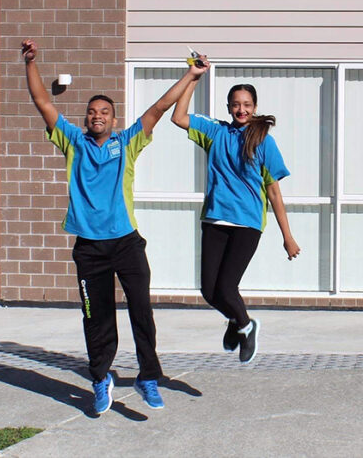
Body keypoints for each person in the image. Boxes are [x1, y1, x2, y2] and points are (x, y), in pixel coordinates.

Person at [21, 39, 207, 415]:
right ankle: (100, 378)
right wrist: (30, 64)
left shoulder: (127, 142)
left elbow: (158, 108)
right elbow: (43, 102)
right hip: (89, 248)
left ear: (114, 119)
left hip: (126, 243)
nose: (97, 116)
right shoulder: (72, 141)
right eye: (92, 111)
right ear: (86, 118)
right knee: (97, 317)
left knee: (141, 309)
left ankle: (148, 377)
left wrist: (191, 75)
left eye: (104, 111)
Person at [172, 67, 300, 364]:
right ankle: (238, 321)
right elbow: (178, 117)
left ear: (255, 108)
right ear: (228, 107)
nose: (241, 110)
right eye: (235, 104)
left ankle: (245, 324)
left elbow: (274, 192)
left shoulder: (264, 140)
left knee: (227, 287)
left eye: (247, 105)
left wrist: (288, 237)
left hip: (247, 223)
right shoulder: (216, 131)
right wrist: (193, 78)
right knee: (208, 290)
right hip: (215, 219)